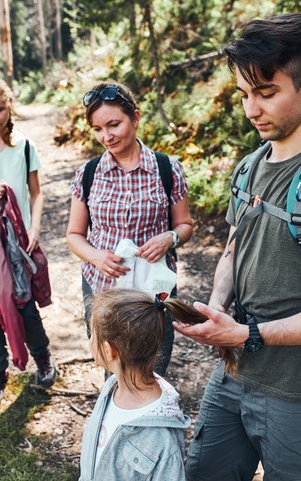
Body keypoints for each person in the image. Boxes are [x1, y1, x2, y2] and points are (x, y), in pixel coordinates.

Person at [173, 13, 301, 481]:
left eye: (267, 94)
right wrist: (215, 307)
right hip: (233, 374)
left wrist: (249, 334)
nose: (251, 109)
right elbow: (232, 249)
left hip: (299, 393)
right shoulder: (249, 167)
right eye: (245, 94)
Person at [66, 81, 193, 375]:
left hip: (155, 287)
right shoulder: (88, 174)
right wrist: (97, 257)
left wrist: (170, 237)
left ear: (135, 118)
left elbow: (185, 225)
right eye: (98, 129)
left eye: (114, 124)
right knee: (113, 361)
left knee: (154, 360)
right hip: (102, 285)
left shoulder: (167, 169)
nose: (106, 136)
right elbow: (74, 235)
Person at [78, 288, 191, 480]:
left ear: (108, 350)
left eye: (92, 335)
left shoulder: (164, 440)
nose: (90, 341)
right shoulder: (111, 388)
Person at [0, 80, 56, 400]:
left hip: (18, 241)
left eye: (0, 108)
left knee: (24, 304)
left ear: (10, 107)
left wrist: (34, 229)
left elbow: (36, 194)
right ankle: (0, 369)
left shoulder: (23, 146)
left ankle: (42, 357)